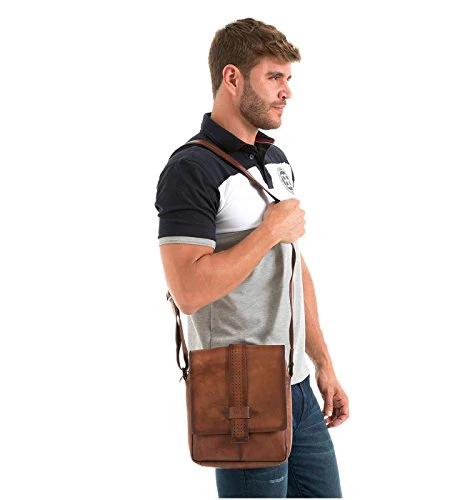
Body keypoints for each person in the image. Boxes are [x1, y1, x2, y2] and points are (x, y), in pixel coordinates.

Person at [155, 17, 349, 498]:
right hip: (240, 389)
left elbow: (292, 266)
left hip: (298, 387)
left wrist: (323, 363)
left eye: (289, 78)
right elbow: (188, 292)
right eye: (274, 77)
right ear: (232, 78)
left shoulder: (275, 159)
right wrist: (268, 232)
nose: (287, 92)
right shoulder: (191, 170)